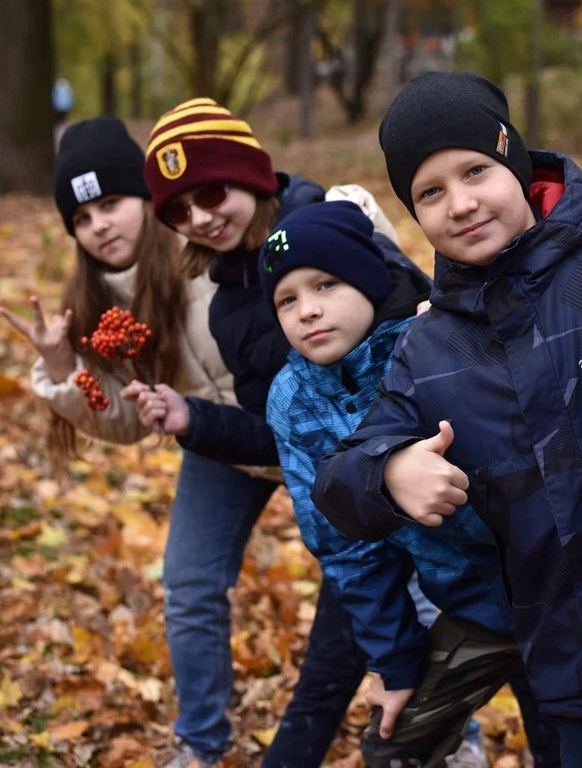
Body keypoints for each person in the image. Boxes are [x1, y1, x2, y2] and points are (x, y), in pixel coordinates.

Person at [310, 71, 582, 767]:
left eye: (475, 172)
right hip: (570, 669)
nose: (460, 204)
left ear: (514, 160)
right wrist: (390, 469)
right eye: (430, 192)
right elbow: (338, 482)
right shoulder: (429, 348)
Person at [123, 97, 413, 766]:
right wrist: (191, 418)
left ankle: (461, 739)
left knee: (441, 630)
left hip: (409, 474)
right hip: (339, 505)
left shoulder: (333, 223)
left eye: (212, 192)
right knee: (346, 655)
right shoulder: (226, 303)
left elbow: (415, 316)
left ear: (250, 173)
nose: (198, 218)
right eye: (177, 211)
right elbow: (279, 431)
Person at [0, 116, 280, 767]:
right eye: (82, 216)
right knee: (187, 583)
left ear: (150, 198)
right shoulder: (100, 309)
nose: (100, 224)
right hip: (217, 443)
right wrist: (68, 365)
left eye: (113, 203)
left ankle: (446, 734)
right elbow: (122, 420)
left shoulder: (210, 249)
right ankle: (201, 743)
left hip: (300, 428)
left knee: (386, 576)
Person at [257, 201, 558, 768]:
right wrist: (394, 662)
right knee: (395, 746)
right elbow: (346, 548)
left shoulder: (432, 336)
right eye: (287, 300)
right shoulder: (292, 400)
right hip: (469, 602)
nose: (308, 312)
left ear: (369, 281)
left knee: (564, 734)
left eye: (325, 285)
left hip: (557, 586)